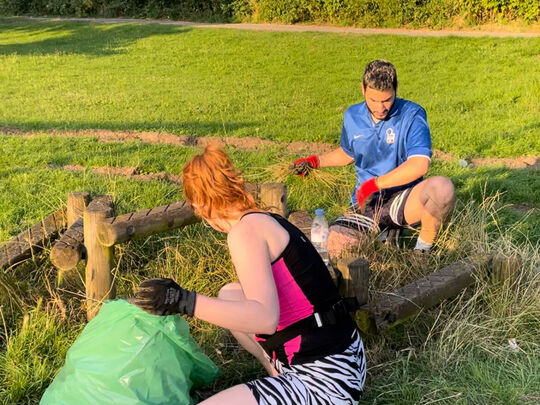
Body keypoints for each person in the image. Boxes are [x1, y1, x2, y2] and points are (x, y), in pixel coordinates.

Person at [133, 145, 366, 405]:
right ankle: (277, 372)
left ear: (200, 204)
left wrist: (183, 301)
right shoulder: (265, 220)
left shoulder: (244, 233)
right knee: (229, 294)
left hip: (325, 382)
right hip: (347, 357)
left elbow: (264, 318)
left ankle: (286, 383)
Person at [291, 59, 455, 258]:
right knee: (336, 250)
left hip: (404, 199)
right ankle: (384, 234)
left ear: (396, 89)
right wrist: (315, 162)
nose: (380, 108)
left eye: (387, 100)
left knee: (442, 188)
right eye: (373, 100)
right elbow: (348, 153)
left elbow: (419, 165)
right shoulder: (352, 115)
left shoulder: (412, 114)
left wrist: (374, 184)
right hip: (365, 203)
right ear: (362, 89)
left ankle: (421, 253)